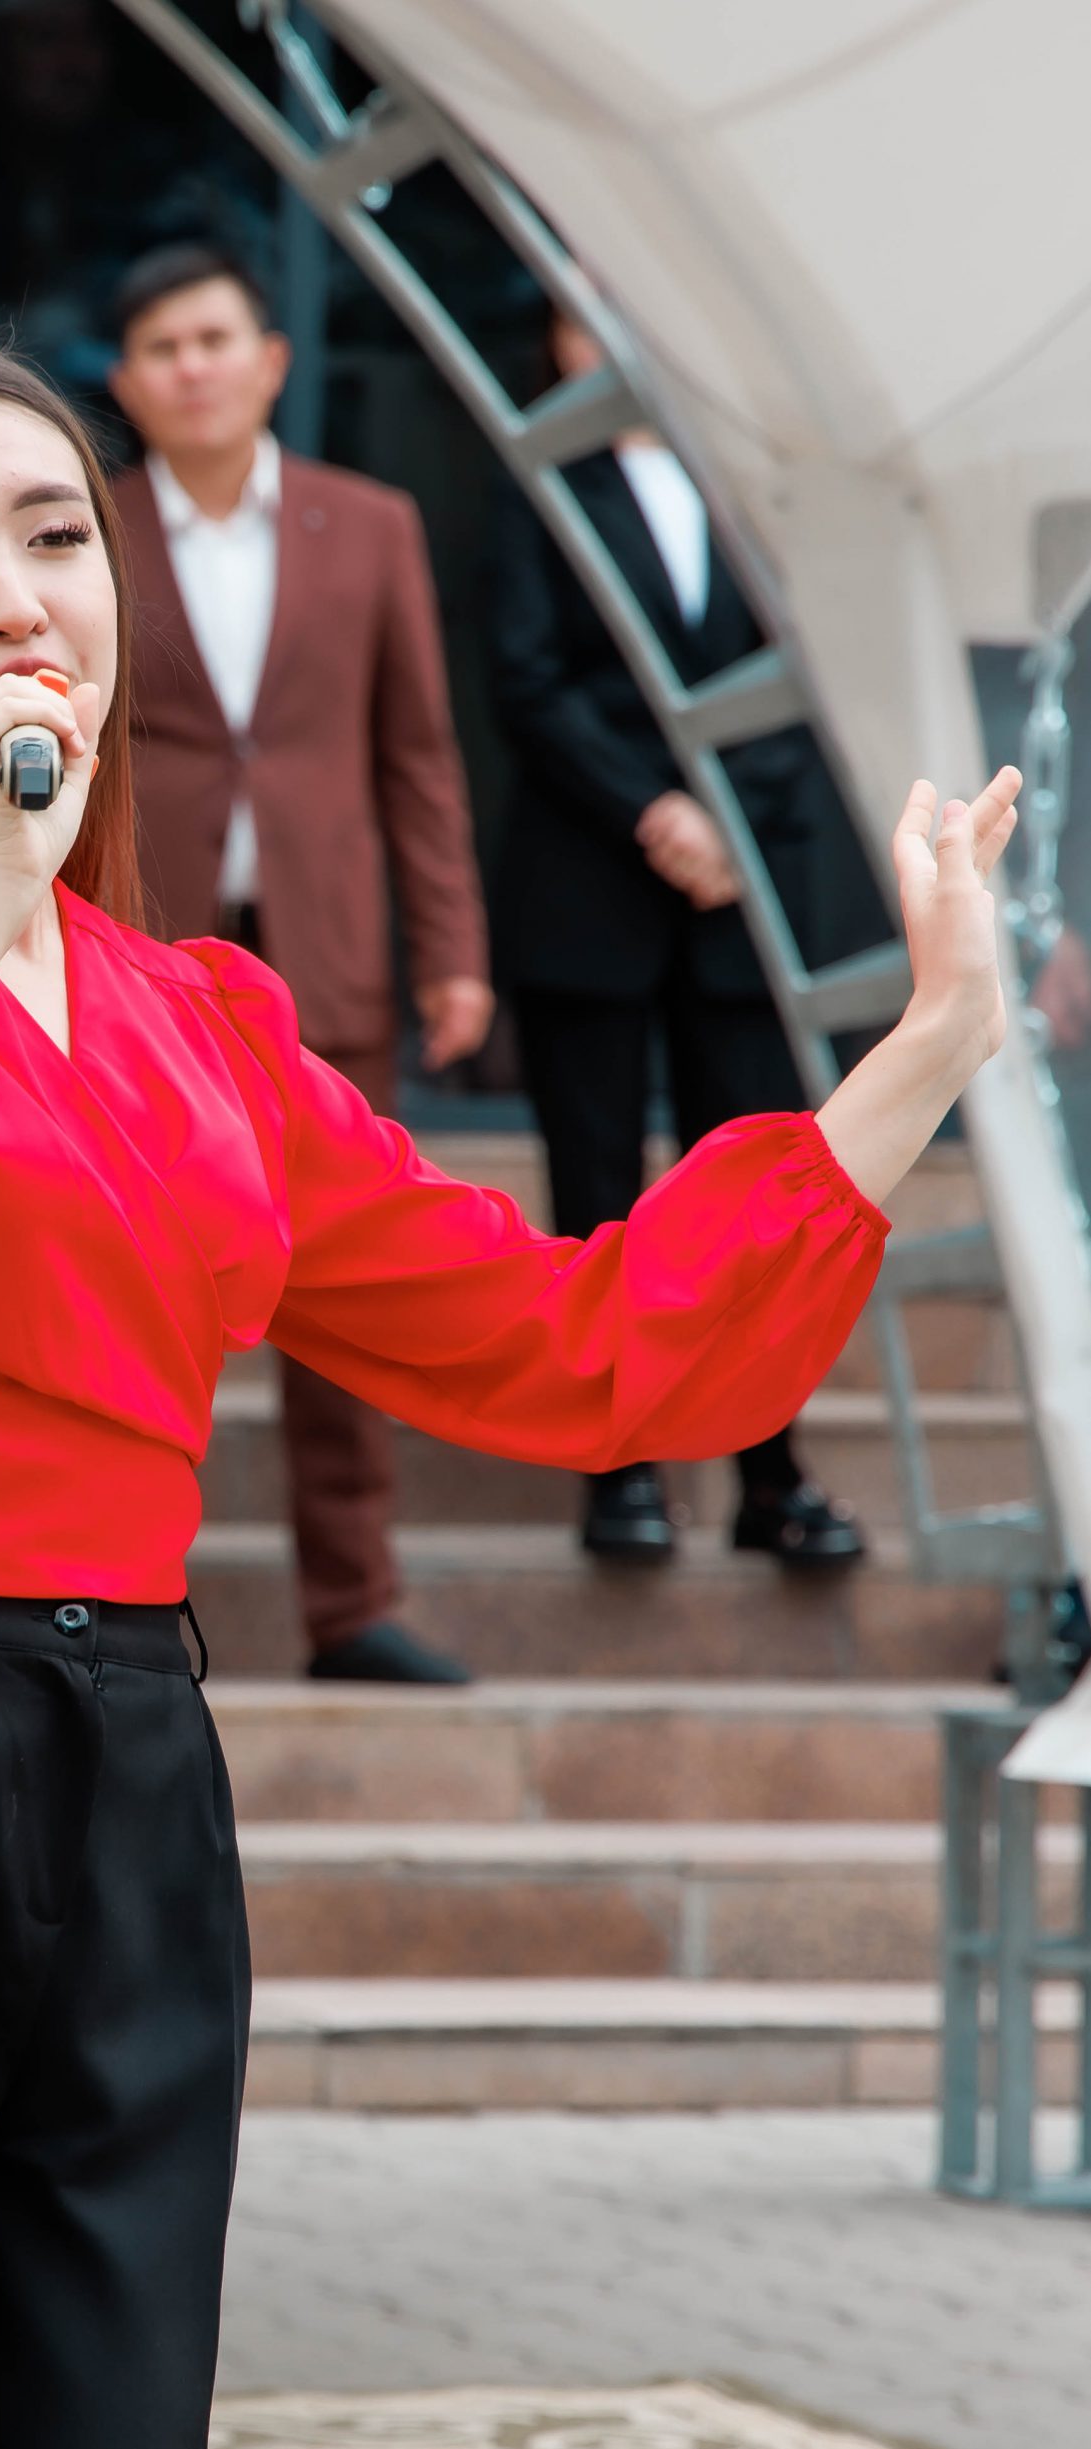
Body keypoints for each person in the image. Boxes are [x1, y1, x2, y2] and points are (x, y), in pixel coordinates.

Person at [0, 322, 1015, 2449]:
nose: (11, 597)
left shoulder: (204, 1023)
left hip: (126, 1763)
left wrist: (927, 1043)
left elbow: (571, 1345)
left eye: (54, 535)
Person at [106, 241, 495, 1687]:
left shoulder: (369, 525)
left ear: (272, 361)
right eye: (162, 347)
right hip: (138, 959)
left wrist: (451, 953)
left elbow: (419, 757)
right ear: (126, 384)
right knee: (128, 1277)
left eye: (215, 339)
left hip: (323, 957)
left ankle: (355, 1607)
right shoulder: (84, 526)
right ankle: (117, 1590)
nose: (193, 368)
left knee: (339, 1279)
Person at [485, 302, 882, 1567]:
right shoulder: (540, 477)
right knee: (596, 1193)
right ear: (554, 339)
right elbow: (526, 679)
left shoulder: (758, 478)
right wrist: (655, 811)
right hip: (589, 871)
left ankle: (771, 1473)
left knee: (758, 1199)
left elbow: (813, 669)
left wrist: (725, 817)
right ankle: (618, 1472)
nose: (613, 336)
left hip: (743, 888)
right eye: (582, 316)